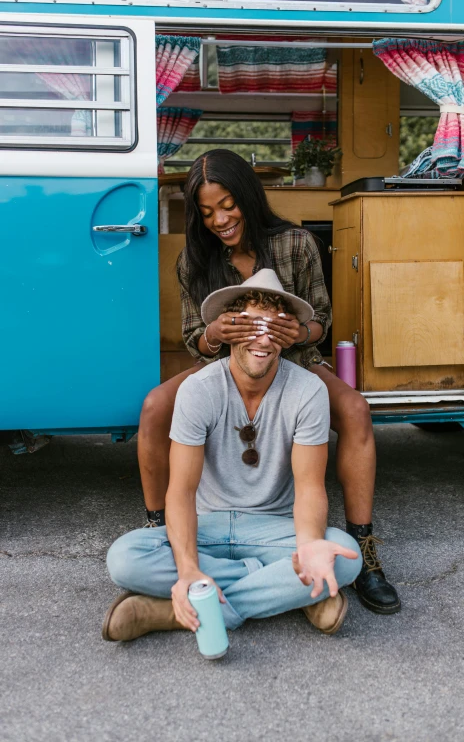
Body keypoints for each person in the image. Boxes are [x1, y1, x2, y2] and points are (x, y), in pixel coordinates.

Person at [138, 149, 400, 615]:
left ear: (247, 196)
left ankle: (366, 547)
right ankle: (160, 529)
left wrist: (299, 332)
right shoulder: (194, 260)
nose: (219, 219)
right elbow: (193, 339)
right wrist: (214, 333)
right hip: (226, 365)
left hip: (298, 360)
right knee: (156, 407)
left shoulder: (296, 243)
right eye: (207, 212)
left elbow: (323, 319)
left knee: (357, 409)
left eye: (227, 205)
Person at [103, 277, 362, 641]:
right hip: (207, 523)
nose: (263, 339)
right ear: (231, 330)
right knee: (125, 558)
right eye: (251, 326)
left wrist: (307, 546)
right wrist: (190, 567)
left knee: (345, 554)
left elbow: (309, 488)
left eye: (272, 328)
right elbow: (179, 492)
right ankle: (290, 592)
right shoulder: (199, 389)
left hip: (273, 527)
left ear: (285, 336)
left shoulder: (308, 390)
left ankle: (179, 612)